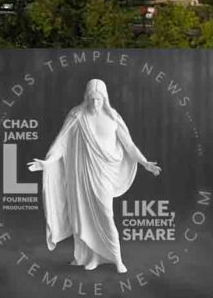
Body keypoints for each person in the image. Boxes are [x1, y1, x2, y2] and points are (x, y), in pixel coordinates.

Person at [29, 78, 161, 273]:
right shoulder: (77, 116)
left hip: (104, 175)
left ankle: (117, 259)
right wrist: (47, 163)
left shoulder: (113, 117)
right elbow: (61, 143)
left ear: (105, 99)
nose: (94, 104)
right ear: (86, 98)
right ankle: (91, 257)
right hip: (81, 176)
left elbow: (129, 145)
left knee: (106, 215)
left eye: (98, 100)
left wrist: (145, 162)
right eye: (91, 99)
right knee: (83, 215)